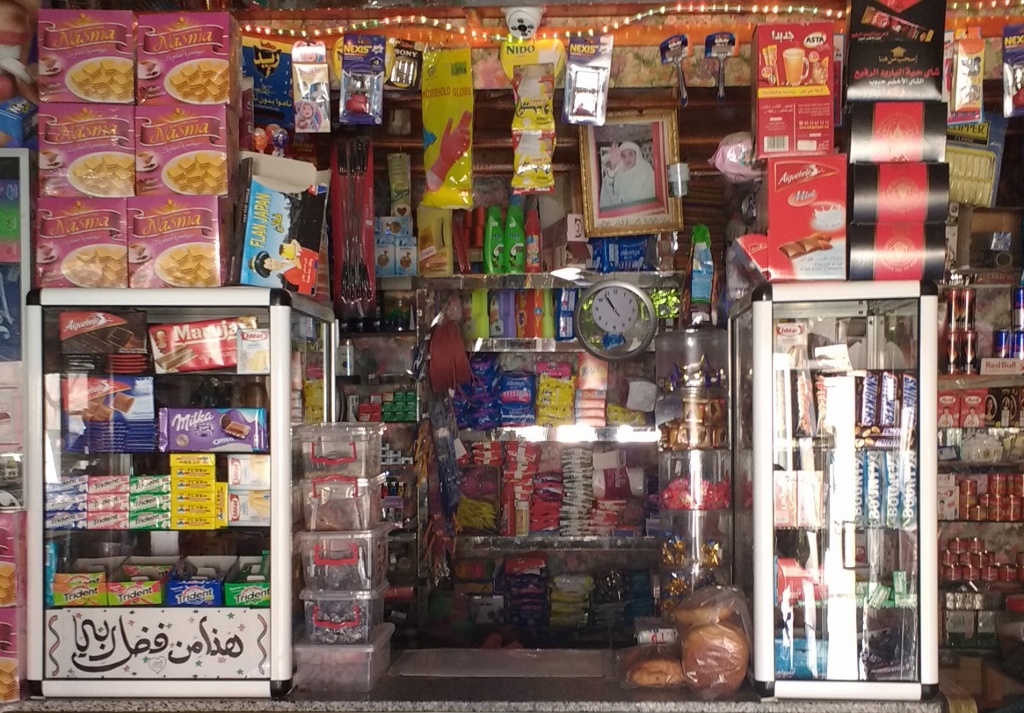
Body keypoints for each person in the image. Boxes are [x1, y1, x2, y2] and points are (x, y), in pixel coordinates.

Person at [598, 140, 657, 209]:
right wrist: (612, 166)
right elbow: (609, 190)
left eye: (630, 154)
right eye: (624, 156)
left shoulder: (645, 170)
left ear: (636, 155)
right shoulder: (620, 171)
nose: (627, 159)